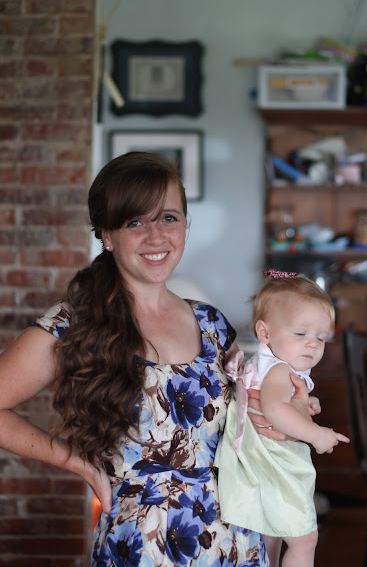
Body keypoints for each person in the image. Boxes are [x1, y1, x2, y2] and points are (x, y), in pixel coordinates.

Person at [0, 152, 313, 567]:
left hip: (235, 544)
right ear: (106, 235)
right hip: (142, 548)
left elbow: (253, 415)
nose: (156, 236)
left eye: (168, 218)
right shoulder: (74, 325)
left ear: (185, 224)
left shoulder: (211, 324)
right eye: (135, 222)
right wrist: (75, 461)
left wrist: (292, 410)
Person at [214, 270, 350, 567]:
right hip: (274, 463)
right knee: (305, 539)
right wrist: (316, 435)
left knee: (272, 537)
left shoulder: (272, 364)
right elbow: (275, 411)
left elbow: (276, 401)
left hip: (261, 462)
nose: (312, 344)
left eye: (321, 337)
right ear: (265, 333)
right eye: (300, 334)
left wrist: (303, 403)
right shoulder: (279, 369)